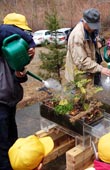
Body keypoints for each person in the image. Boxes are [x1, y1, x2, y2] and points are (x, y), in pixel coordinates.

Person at [0, 13, 36, 170]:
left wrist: (20, 73)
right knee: (2, 145)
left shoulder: (11, 50)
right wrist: (30, 41)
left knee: (12, 139)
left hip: (10, 100)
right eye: (19, 31)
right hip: (0, 102)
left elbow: (16, 76)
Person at [65, 8, 110, 85]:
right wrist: (100, 68)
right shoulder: (78, 36)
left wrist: (98, 41)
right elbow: (81, 62)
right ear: (84, 21)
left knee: (90, 94)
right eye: (92, 26)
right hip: (78, 76)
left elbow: (95, 39)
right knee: (80, 96)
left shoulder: (90, 30)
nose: (93, 28)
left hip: (88, 72)